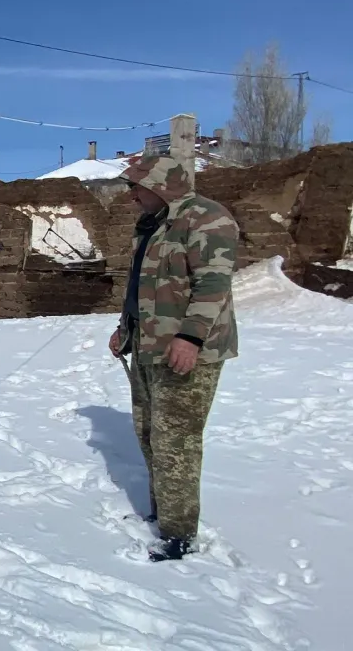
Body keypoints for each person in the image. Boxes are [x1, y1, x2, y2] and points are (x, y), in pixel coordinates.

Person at [108, 155, 239, 562]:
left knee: (175, 441)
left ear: (160, 184)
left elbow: (213, 284)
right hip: (148, 343)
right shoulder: (151, 224)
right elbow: (142, 286)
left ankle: (179, 535)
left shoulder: (206, 218)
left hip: (186, 349)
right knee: (149, 431)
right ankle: (162, 513)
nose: (131, 195)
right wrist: (125, 328)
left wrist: (190, 336)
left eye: (136, 187)